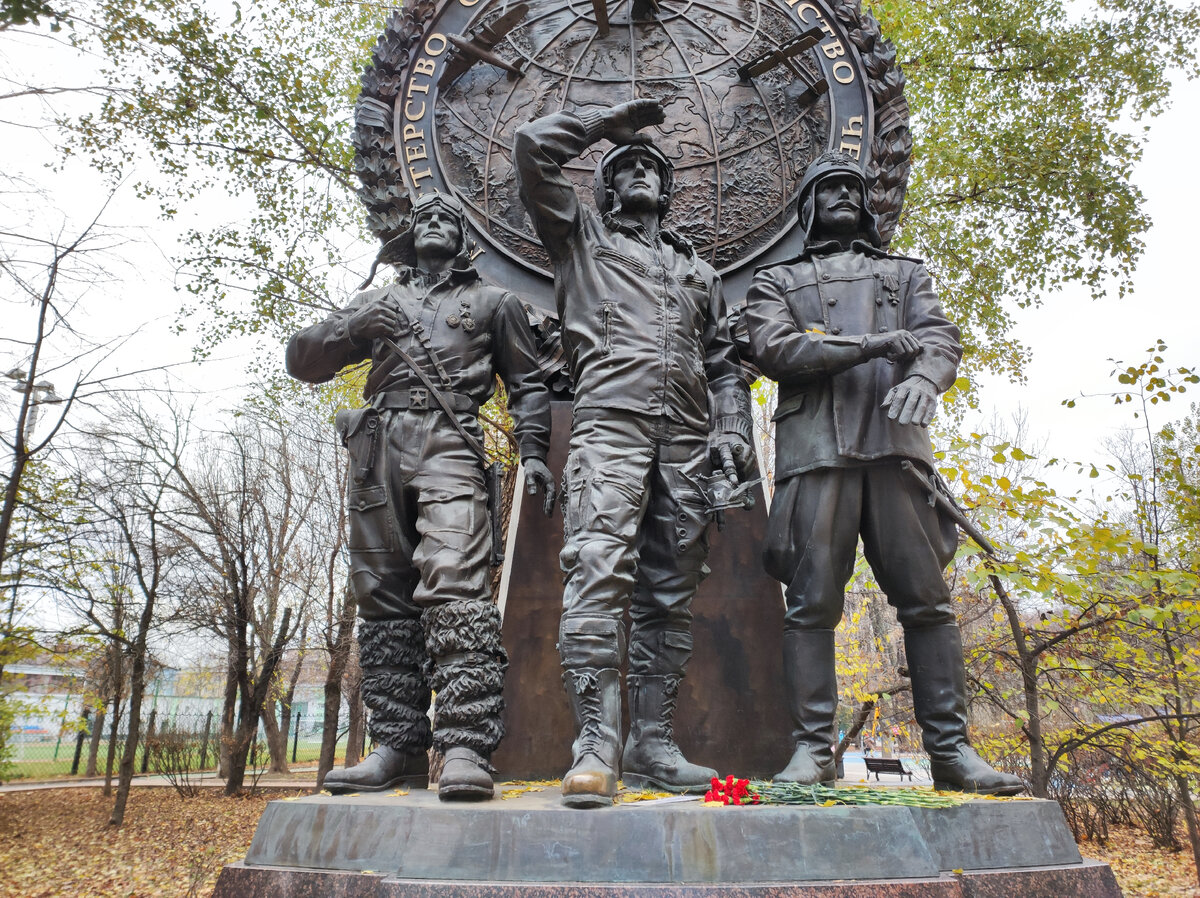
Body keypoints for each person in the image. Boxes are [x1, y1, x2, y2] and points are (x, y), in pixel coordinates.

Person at [743, 151, 1024, 796]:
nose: (843, 194)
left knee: (928, 603)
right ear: (809, 208)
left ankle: (952, 752)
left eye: (852, 186)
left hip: (896, 453)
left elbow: (938, 337)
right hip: (817, 451)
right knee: (810, 605)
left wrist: (926, 377)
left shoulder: (906, 274)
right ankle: (813, 752)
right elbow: (776, 349)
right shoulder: (776, 281)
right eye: (828, 187)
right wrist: (869, 345)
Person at [514, 99, 755, 808]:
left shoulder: (699, 274)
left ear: (666, 187)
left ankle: (653, 742)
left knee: (670, 593)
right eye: (629, 168)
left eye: (652, 166)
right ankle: (595, 743)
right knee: (596, 575)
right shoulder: (581, 240)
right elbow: (531, 149)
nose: (642, 172)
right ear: (609, 188)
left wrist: (733, 431)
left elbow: (725, 363)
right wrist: (607, 125)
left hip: (686, 441)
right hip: (609, 428)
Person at [286, 192, 555, 800]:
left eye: (448, 220)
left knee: (456, 581)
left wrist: (533, 451)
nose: (435, 224)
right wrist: (355, 328)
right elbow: (300, 361)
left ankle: (464, 745)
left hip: (450, 439)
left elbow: (528, 385)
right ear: (408, 238)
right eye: (425, 219)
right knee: (380, 591)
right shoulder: (378, 301)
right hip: (378, 444)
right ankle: (397, 744)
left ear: (464, 240)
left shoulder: (495, 301)